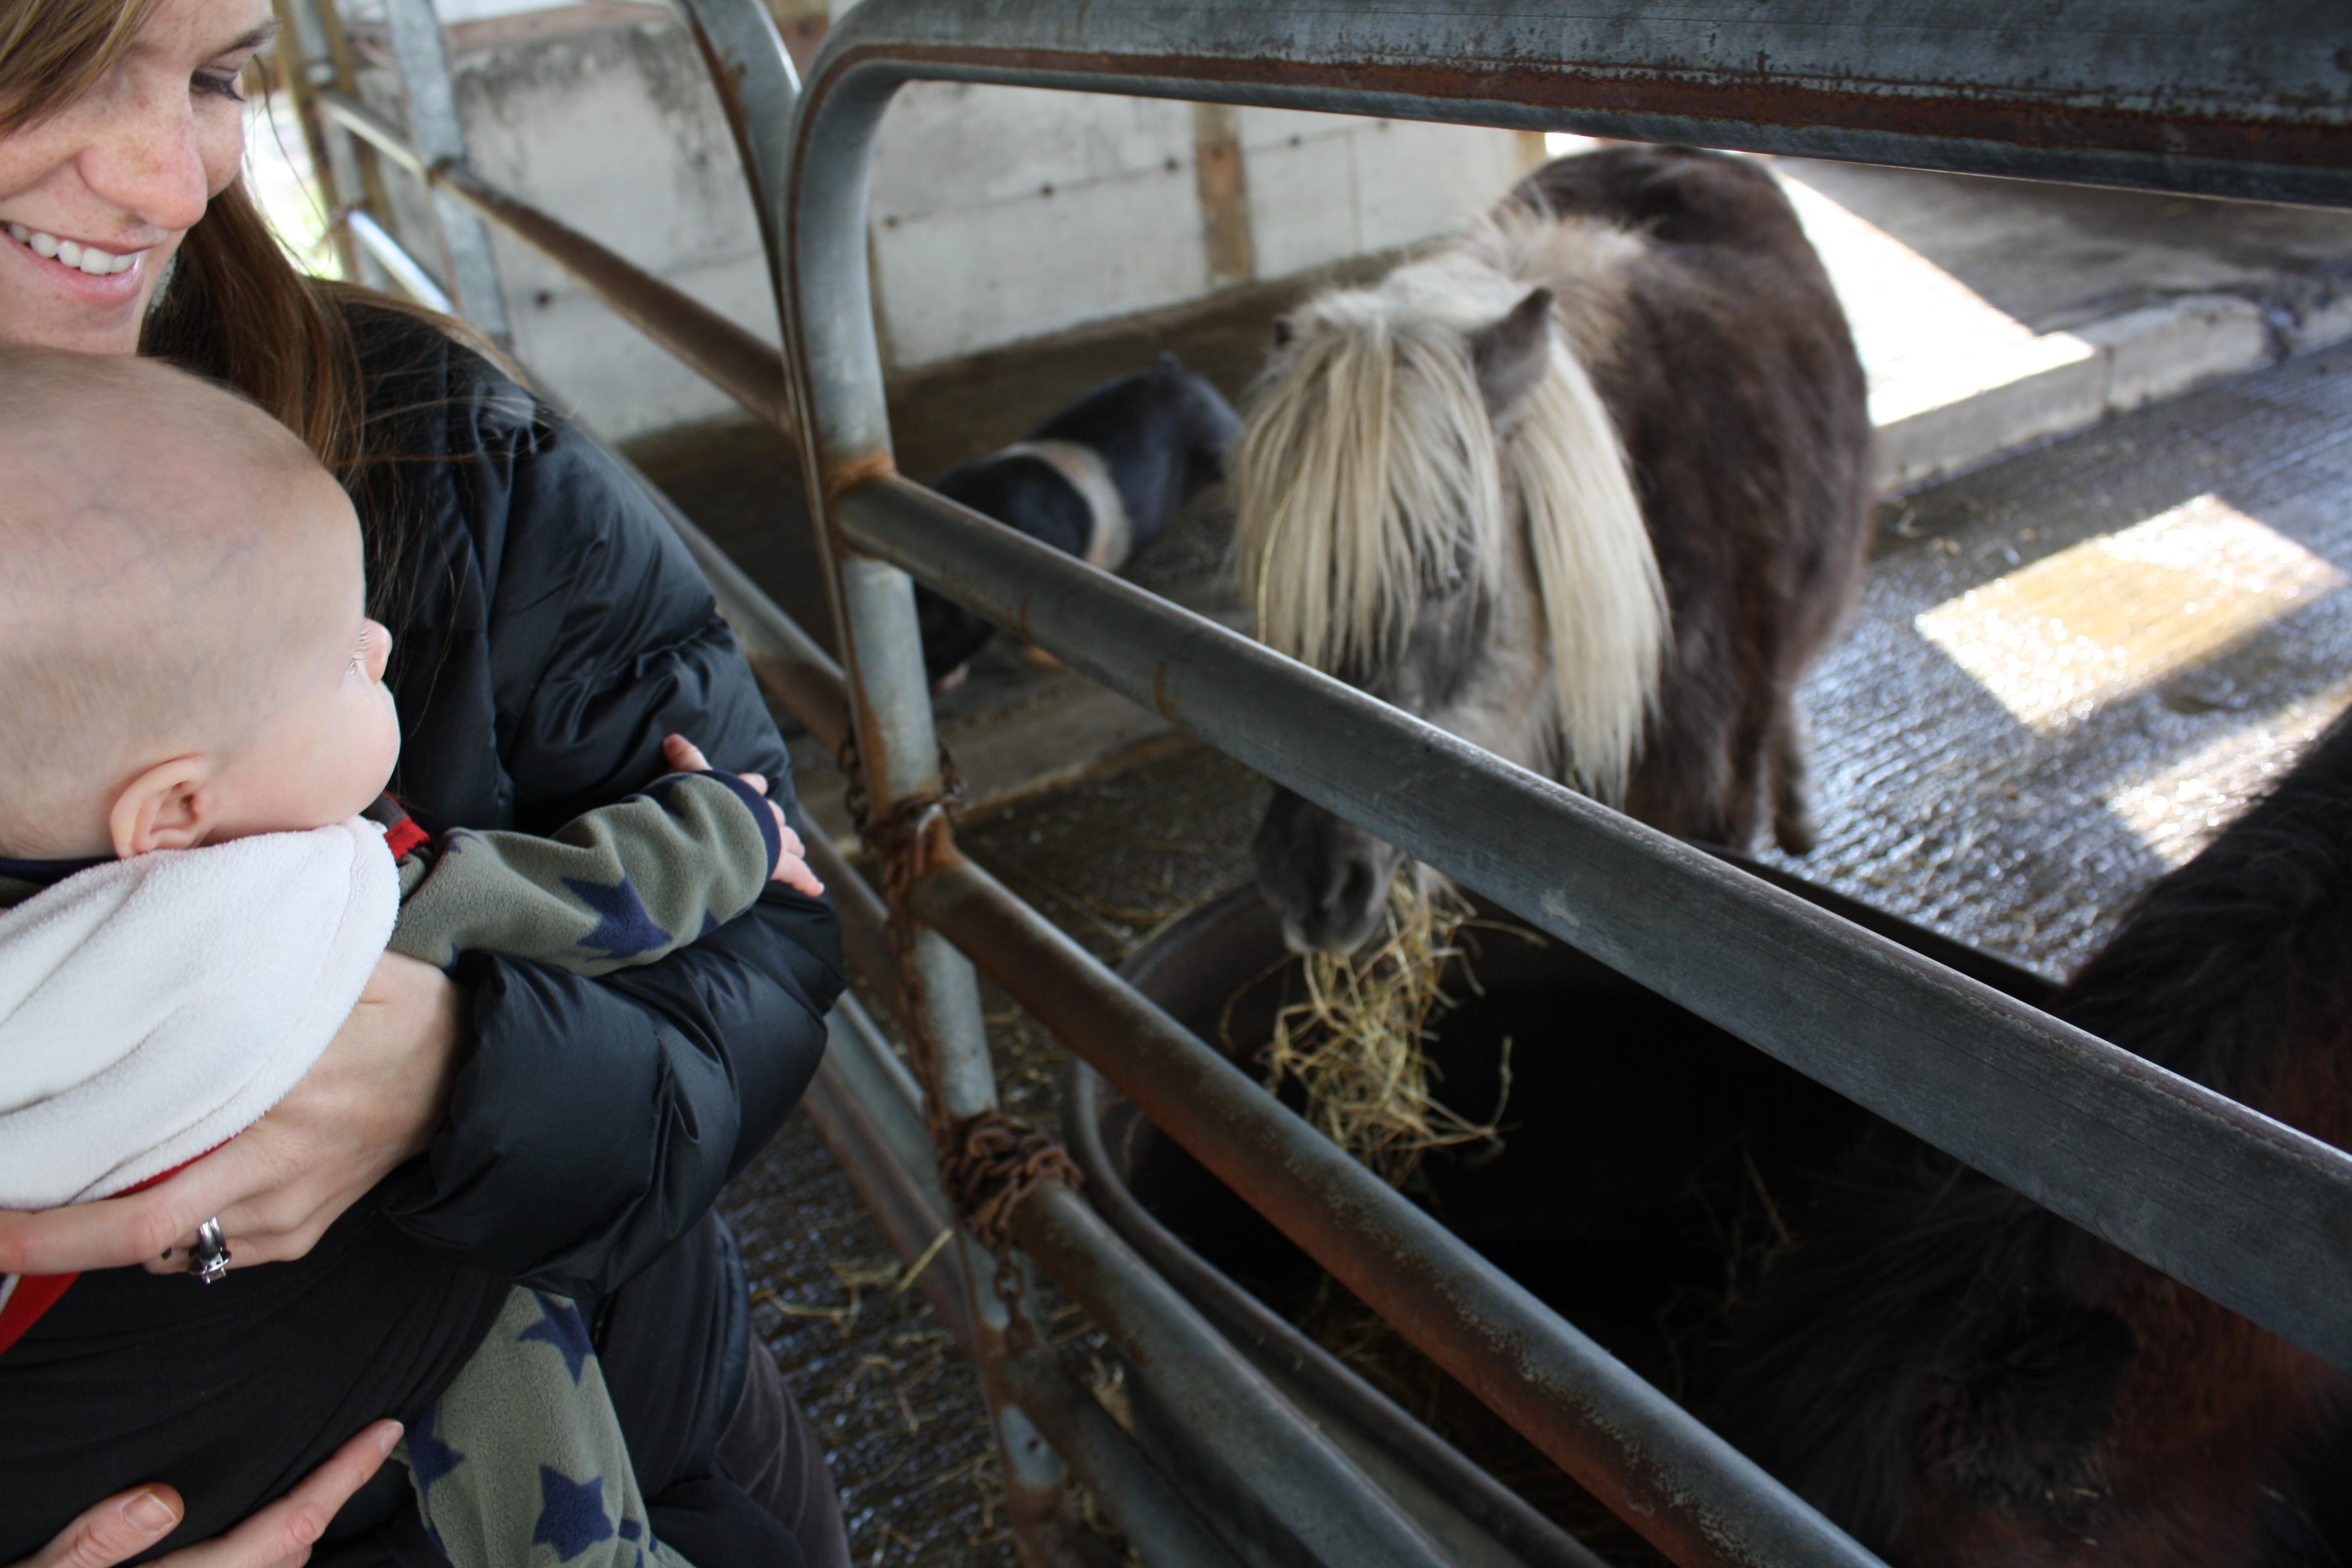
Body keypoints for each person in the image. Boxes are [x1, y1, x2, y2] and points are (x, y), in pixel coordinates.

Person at [0, 0, 851, 1561]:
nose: (173, 183)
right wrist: (720, 839)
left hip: (658, 1418)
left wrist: (471, 1077)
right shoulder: (323, 891)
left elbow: (776, 953)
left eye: (216, 74)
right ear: (171, 809)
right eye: (46, 69)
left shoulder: (434, 442)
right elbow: (673, 872)